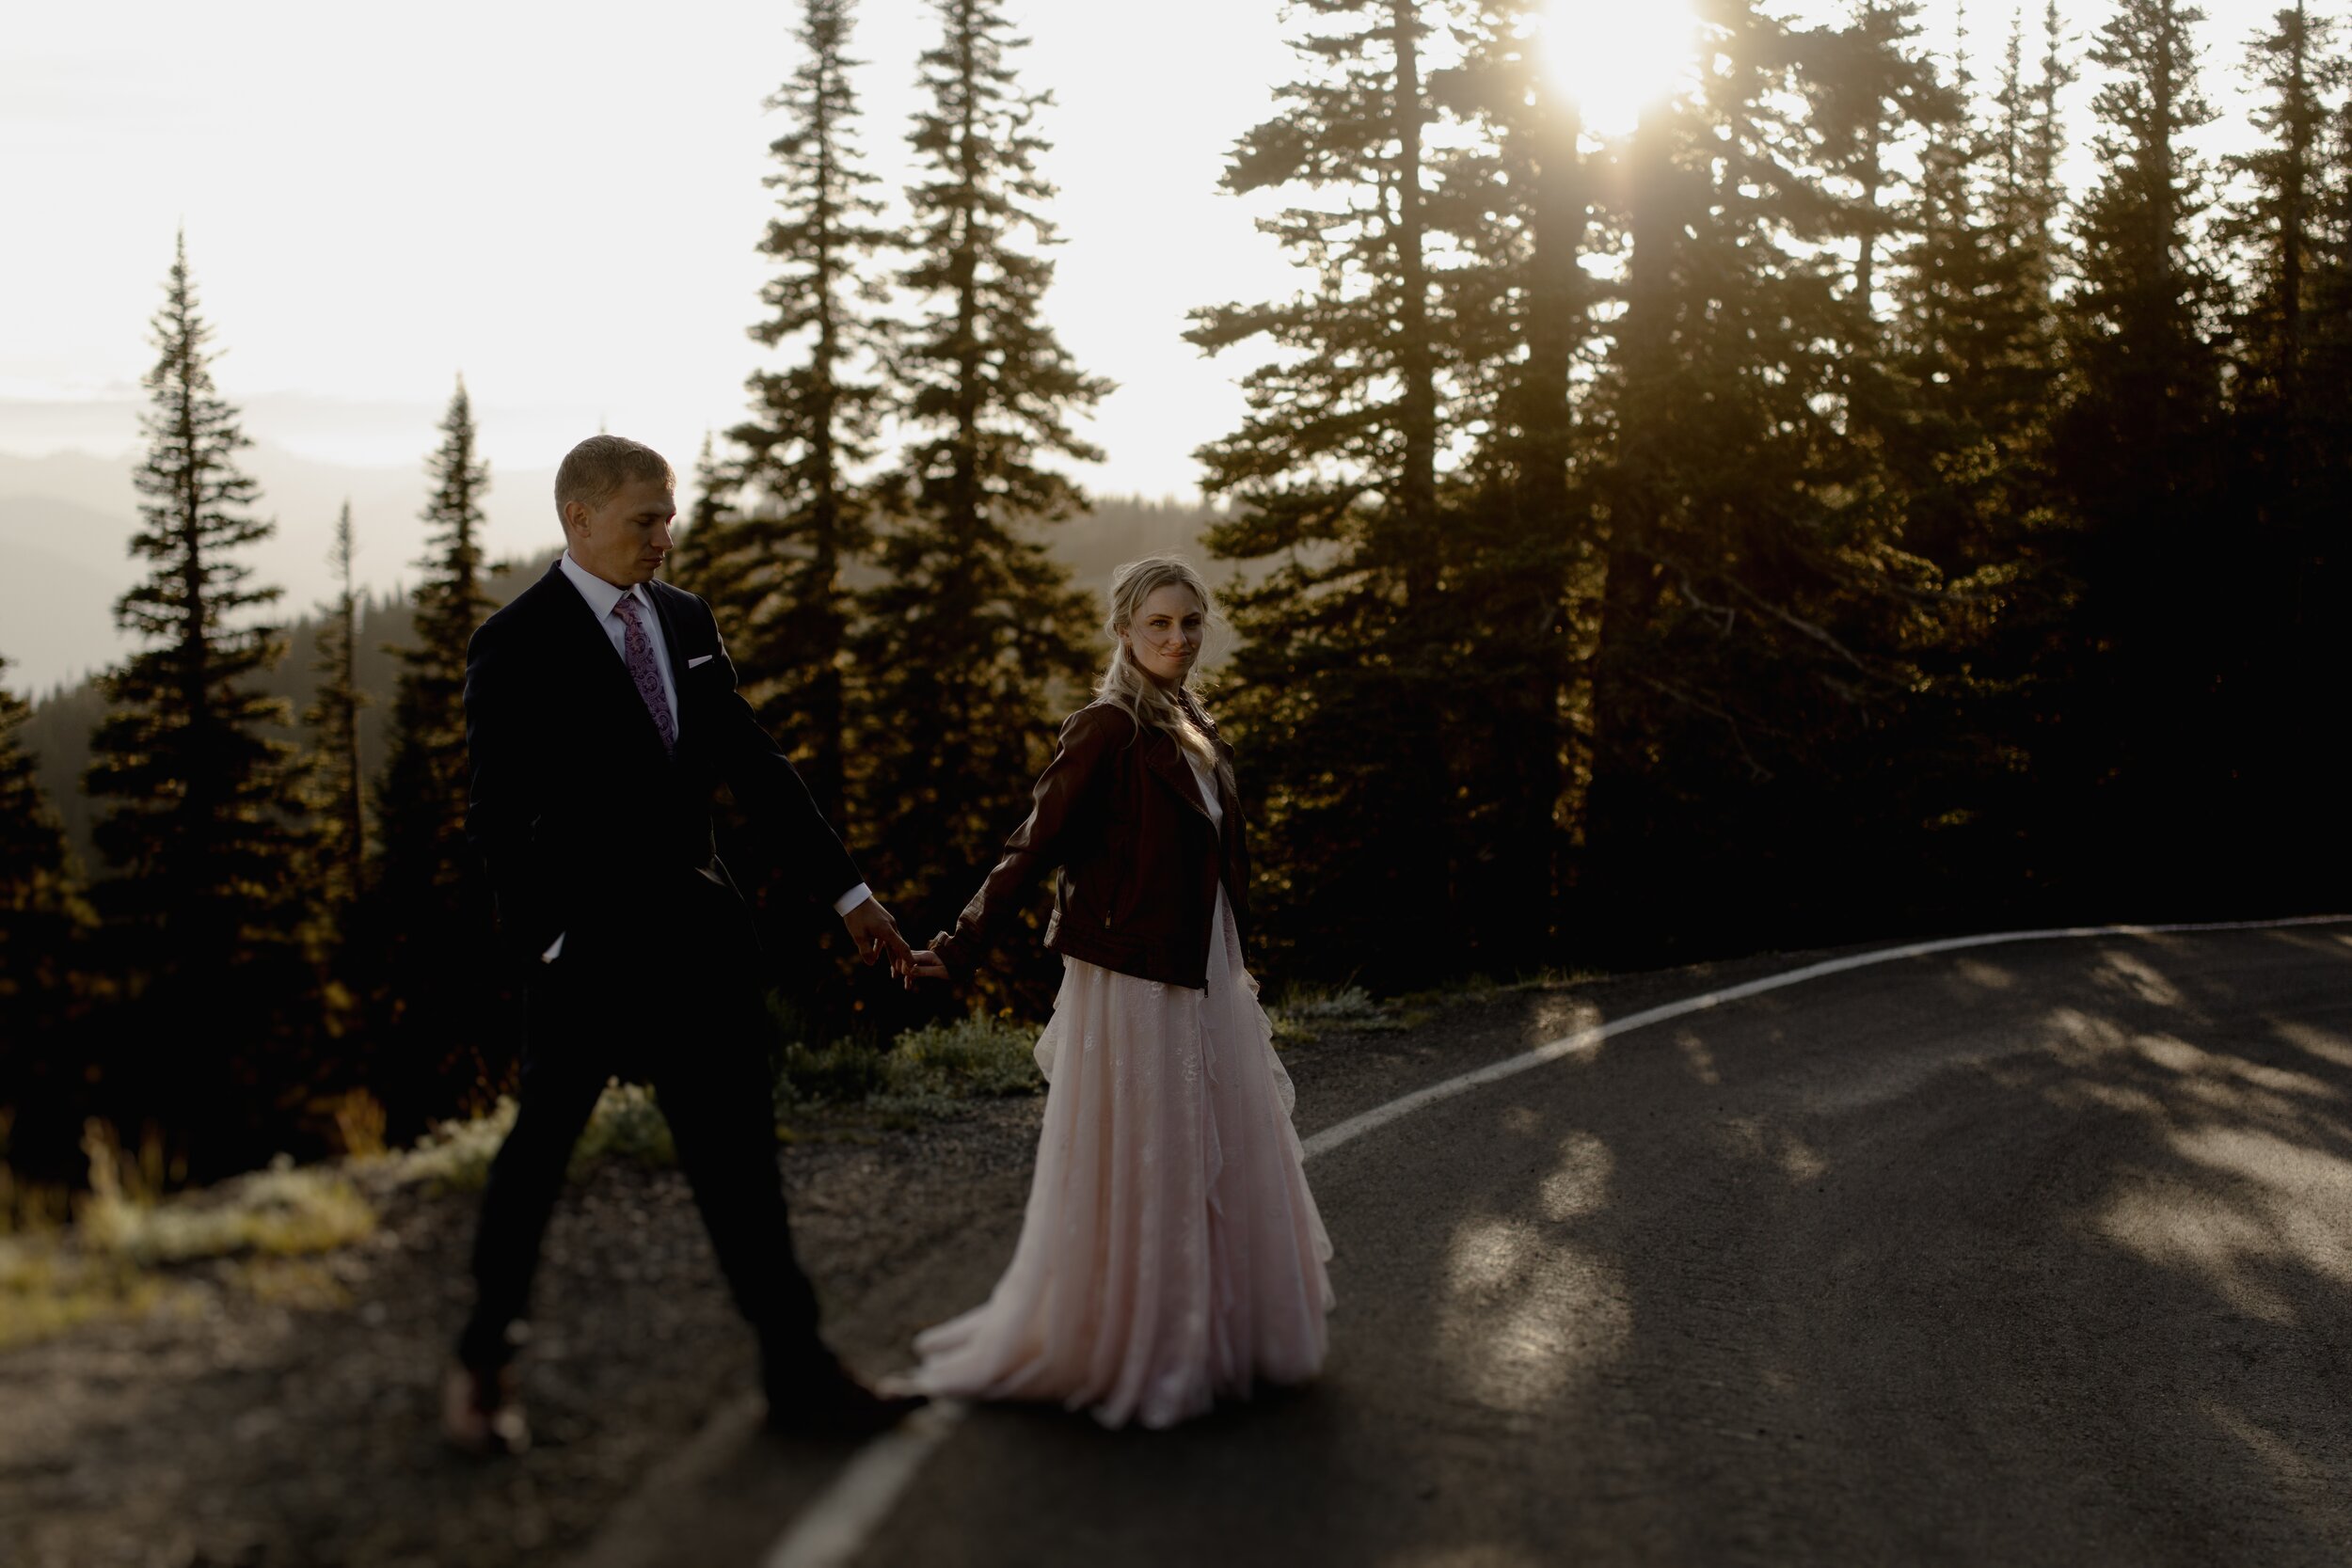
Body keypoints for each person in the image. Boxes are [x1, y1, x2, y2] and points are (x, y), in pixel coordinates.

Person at [444, 434, 924, 1452]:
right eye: (642, 519)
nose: (664, 536)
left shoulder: (685, 620)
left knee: (740, 1165)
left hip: (701, 949)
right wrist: (552, 938)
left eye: (670, 515)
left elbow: (753, 764)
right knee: (539, 1159)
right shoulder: (515, 642)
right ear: (577, 520)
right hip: (583, 958)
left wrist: (850, 894)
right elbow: (495, 820)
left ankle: (799, 1372)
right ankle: (485, 1359)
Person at [898, 556, 1334, 1429]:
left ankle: (1210, 1335)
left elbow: (1217, 866)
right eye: (1159, 624)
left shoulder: (1196, 727)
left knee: (1212, 1144)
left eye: (1189, 623)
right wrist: (959, 942)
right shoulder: (1105, 727)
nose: (1177, 638)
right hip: (1134, 975)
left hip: (1199, 964)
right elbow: (1033, 845)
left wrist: (1236, 956)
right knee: (1151, 1154)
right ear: (1124, 633)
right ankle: (1139, 1340)